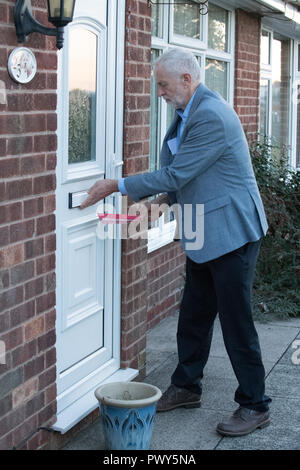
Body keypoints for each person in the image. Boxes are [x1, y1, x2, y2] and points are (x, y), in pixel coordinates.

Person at [80, 48, 272, 437]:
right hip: (204, 227)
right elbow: (183, 178)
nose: (160, 94)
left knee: (237, 323)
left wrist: (115, 186)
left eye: (163, 85)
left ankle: (254, 404)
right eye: (158, 86)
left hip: (231, 231)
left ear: (187, 79)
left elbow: (177, 173)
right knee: (194, 315)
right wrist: (157, 206)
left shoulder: (211, 117)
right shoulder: (187, 110)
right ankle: (186, 386)